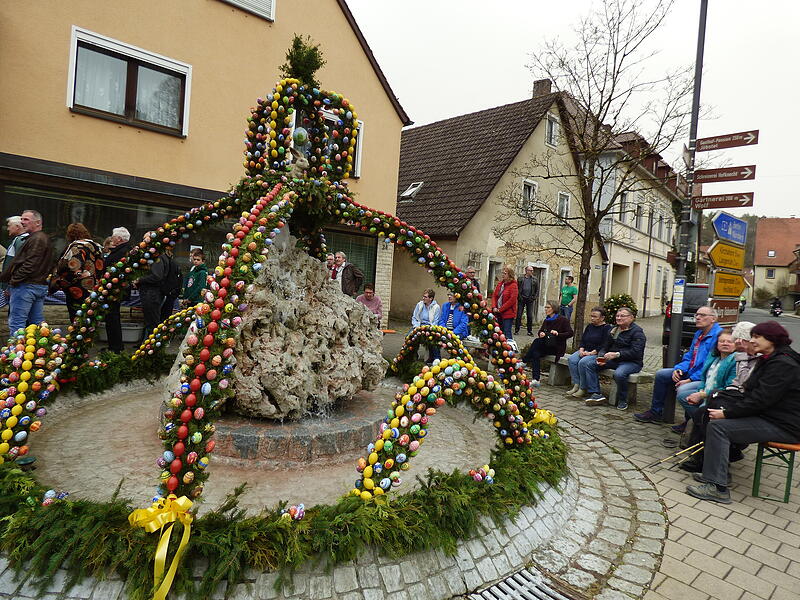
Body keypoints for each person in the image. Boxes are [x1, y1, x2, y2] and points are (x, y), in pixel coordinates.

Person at [686, 321, 800, 504]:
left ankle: (718, 487)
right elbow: (749, 391)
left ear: (772, 339)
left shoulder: (783, 363)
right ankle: (714, 472)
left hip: (784, 426)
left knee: (718, 427)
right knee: (710, 414)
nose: (752, 341)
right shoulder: (771, 358)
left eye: (757, 337)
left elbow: (760, 400)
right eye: (752, 336)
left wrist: (727, 413)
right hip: (771, 416)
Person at [634, 306, 722, 423]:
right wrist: (679, 369)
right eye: (696, 315)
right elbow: (690, 356)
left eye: (702, 315)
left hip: (704, 377)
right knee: (661, 374)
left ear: (713, 319)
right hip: (691, 372)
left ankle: (691, 422)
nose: (697, 318)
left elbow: (710, 366)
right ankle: (656, 412)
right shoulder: (699, 334)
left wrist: (690, 379)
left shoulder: (718, 336)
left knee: (683, 390)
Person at [582, 306, 646, 409]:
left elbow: (636, 352)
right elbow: (605, 347)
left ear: (631, 318)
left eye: (622, 316)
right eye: (617, 316)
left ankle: (623, 400)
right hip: (614, 360)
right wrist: (601, 358)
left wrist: (617, 354)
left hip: (631, 362)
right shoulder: (614, 330)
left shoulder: (637, 332)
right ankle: (596, 394)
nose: (619, 318)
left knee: (619, 374)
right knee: (590, 365)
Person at [0, 210, 53, 333]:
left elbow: (30, 265)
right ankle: (38, 346)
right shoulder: (39, 238)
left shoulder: (37, 239)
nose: (22, 222)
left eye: (26, 219)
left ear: (38, 222)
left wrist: (13, 281)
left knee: (17, 323)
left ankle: (16, 345)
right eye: (22, 219)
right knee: (37, 323)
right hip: (36, 285)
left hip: (26, 286)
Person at [675, 331, 737, 432]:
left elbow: (728, 387)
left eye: (729, 342)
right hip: (705, 391)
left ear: (736, 345)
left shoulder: (735, 362)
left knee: (700, 408)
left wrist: (702, 395)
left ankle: (703, 424)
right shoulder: (713, 357)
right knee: (683, 396)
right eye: (722, 341)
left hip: (720, 397)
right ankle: (700, 422)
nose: (725, 344)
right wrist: (700, 391)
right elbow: (704, 378)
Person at [49, 223, 104, 322]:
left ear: (70, 234)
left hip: (77, 289)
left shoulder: (76, 247)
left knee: (77, 317)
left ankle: (78, 332)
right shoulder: (96, 246)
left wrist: (61, 281)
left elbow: (74, 268)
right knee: (89, 316)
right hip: (93, 288)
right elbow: (100, 266)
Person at [522, 300, 574, 385]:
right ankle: (536, 379)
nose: (546, 309)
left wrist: (558, 334)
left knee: (537, 341)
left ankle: (524, 361)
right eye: (545, 307)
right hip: (546, 345)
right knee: (535, 353)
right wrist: (541, 333)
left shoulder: (562, 320)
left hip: (557, 347)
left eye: (548, 307)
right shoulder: (547, 320)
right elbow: (540, 331)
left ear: (554, 308)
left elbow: (570, 333)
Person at [566, 306, 612, 398]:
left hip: (596, 353)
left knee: (583, 362)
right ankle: (577, 384)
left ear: (602, 318)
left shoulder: (607, 328)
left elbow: (605, 344)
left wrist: (591, 353)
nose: (592, 318)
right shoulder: (590, 326)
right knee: (572, 359)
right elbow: (583, 339)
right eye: (591, 316)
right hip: (585, 350)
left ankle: (583, 388)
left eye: (595, 317)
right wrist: (581, 349)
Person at [103, 227, 133, 353]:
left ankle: (115, 347)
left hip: (115, 290)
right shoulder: (122, 250)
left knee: (112, 318)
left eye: (113, 236)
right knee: (112, 318)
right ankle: (114, 345)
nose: (112, 238)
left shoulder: (123, 251)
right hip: (114, 289)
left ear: (119, 239)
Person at [135, 232, 169, 341]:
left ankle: (152, 346)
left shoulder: (157, 257)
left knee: (152, 322)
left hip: (152, 293)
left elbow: (157, 276)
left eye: (146, 240)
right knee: (150, 321)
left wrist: (140, 279)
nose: (143, 243)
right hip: (151, 292)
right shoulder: (154, 256)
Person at [411, 288, 441, 364]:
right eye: (423, 296)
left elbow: (435, 321)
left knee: (433, 338)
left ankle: (436, 358)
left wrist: (428, 329)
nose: (423, 298)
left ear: (431, 298)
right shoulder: (419, 305)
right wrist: (416, 327)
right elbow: (414, 317)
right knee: (409, 336)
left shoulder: (436, 307)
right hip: (419, 326)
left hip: (430, 328)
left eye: (425, 297)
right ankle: (413, 355)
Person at [1, 216, 28, 297]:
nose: (7, 229)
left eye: (9, 226)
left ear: (17, 227)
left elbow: (19, 264)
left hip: (16, 286)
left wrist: (10, 285)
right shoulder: (18, 239)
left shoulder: (21, 240)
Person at [491, 265, 518, 340]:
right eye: (502, 273)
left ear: (510, 275)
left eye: (505, 273)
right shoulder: (500, 284)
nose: (503, 275)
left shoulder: (513, 285)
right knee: (499, 331)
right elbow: (494, 296)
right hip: (497, 312)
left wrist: (500, 309)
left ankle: (510, 346)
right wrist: (494, 307)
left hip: (508, 313)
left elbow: (512, 300)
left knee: (507, 332)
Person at [159, 245, 182, 323]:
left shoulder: (167, 262)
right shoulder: (172, 263)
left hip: (166, 293)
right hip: (170, 293)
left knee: (161, 318)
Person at [515, 266, 538, 336]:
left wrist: (534, 298)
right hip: (521, 298)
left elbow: (537, 290)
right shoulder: (520, 279)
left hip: (530, 299)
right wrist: (519, 296)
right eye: (530, 270)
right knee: (519, 315)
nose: (532, 272)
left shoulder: (535, 279)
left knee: (530, 316)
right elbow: (517, 288)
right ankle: (516, 330)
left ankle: (529, 331)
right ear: (526, 271)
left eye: (532, 270)